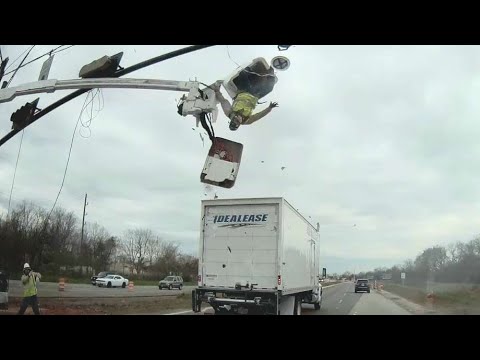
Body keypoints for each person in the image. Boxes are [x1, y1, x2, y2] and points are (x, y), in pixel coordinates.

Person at [212, 81, 279, 131]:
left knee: (244, 75)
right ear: (239, 123)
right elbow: (259, 115)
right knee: (269, 87)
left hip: (243, 91)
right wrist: (269, 108)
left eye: (234, 119)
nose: (236, 118)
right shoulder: (248, 120)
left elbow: (224, 101)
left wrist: (217, 91)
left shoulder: (229, 113)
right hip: (255, 95)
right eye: (237, 121)